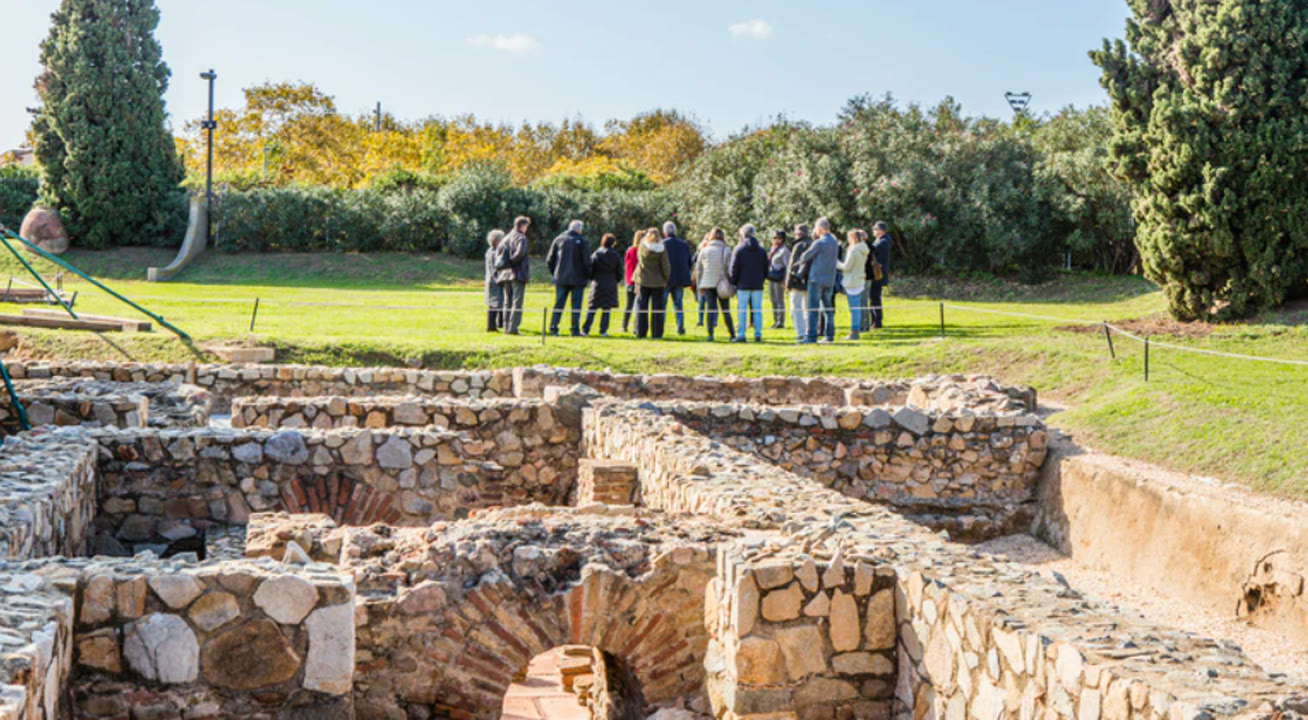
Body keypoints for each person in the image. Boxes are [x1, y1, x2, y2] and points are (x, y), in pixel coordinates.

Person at [545, 219, 592, 336]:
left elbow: (549, 260)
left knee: (558, 304)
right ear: (579, 229)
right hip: (578, 278)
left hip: (561, 277)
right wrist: (588, 275)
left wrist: (555, 272)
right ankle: (574, 329)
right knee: (576, 306)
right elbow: (587, 262)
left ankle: (553, 327)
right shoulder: (582, 241)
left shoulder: (559, 239)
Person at [799, 217, 839, 344]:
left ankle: (811, 336)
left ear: (820, 229)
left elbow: (804, 257)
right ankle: (829, 335)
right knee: (828, 309)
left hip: (816, 279)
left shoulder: (819, 243)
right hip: (830, 279)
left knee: (812, 309)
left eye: (815, 228)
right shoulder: (834, 242)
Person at [729, 224, 769, 343]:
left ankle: (741, 334)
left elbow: (734, 269)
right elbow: (765, 269)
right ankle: (758, 334)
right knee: (757, 310)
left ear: (743, 234)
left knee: (742, 310)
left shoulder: (739, 250)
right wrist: (762, 279)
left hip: (743, 284)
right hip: (757, 285)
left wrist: (734, 282)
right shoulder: (761, 251)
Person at [695, 227, 735, 341]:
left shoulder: (704, 250)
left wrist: (699, 286)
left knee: (710, 309)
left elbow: (699, 269)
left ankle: (710, 334)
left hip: (707, 283)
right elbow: (729, 268)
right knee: (725, 310)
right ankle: (732, 333)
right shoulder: (726, 250)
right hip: (722, 283)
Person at [495, 216, 531, 335]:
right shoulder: (521, 238)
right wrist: (512, 262)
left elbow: (498, 253)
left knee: (507, 301)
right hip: (517, 273)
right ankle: (513, 328)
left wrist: (507, 264)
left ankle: (506, 327)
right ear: (523, 226)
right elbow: (520, 253)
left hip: (505, 273)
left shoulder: (505, 238)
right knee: (517, 302)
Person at [583, 233, 623, 337]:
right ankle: (603, 330)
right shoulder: (616, 255)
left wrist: (592, 278)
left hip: (597, 282)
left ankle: (586, 329)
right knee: (606, 309)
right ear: (613, 243)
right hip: (610, 283)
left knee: (592, 308)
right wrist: (615, 280)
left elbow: (590, 268)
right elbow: (620, 271)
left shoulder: (596, 254)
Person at [635, 227, 671, 339]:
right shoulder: (662, 248)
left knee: (642, 307)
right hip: (658, 281)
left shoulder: (642, 247)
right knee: (657, 309)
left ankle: (641, 332)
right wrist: (666, 278)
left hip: (643, 280)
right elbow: (666, 266)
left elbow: (640, 261)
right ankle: (657, 333)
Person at [837, 229, 870, 340]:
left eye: (849, 238)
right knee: (857, 307)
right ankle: (856, 329)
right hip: (859, 279)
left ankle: (854, 331)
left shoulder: (853, 251)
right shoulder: (863, 249)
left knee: (854, 309)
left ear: (853, 238)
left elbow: (846, 267)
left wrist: (837, 263)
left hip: (851, 281)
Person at [662, 222, 693, 336]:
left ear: (665, 232)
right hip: (679, 278)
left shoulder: (662, 244)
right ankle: (680, 327)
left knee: (662, 305)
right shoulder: (684, 244)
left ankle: (661, 327)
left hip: (665, 279)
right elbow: (689, 262)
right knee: (678, 304)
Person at [785, 224, 811, 342]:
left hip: (798, 281)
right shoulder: (813, 244)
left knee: (795, 307)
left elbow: (793, 265)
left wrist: (789, 282)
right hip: (810, 280)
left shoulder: (798, 246)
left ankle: (800, 331)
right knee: (807, 308)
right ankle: (808, 330)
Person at [869, 221, 892, 329]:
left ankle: (876, 321)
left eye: (875, 229)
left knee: (874, 298)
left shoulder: (882, 242)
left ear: (881, 231)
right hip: (879, 272)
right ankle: (875, 320)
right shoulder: (883, 240)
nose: (873, 231)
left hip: (877, 273)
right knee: (874, 297)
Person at [767, 230, 790, 329]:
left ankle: (780, 321)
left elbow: (788, 266)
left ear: (781, 239)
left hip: (779, 278)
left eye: (775, 238)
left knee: (779, 300)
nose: (773, 240)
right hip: (771, 277)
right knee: (773, 299)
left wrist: (786, 281)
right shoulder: (773, 249)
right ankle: (775, 320)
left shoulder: (784, 251)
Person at [484, 230, 505, 332]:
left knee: (500, 302)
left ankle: (501, 323)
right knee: (494, 304)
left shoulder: (489, 251)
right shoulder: (494, 253)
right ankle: (491, 326)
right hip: (495, 281)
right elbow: (496, 267)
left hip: (492, 280)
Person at [622, 231, 640, 333]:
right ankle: (636, 327)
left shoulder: (630, 250)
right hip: (638, 281)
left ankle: (624, 325)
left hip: (629, 280)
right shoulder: (642, 251)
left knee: (628, 305)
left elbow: (626, 265)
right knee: (638, 305)